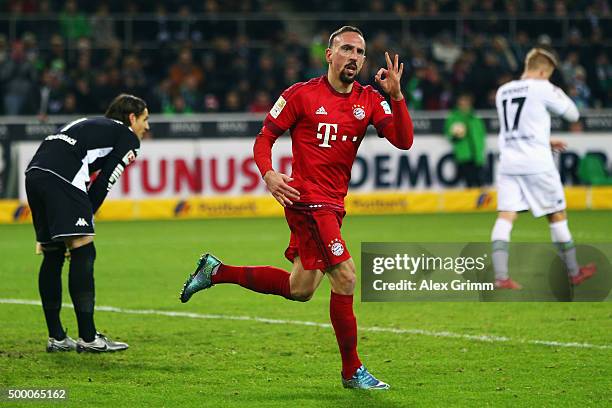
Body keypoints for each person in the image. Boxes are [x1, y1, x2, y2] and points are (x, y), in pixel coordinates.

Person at [179, 26, 413, 390]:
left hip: (333, 205)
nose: (354, 57)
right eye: (347, 49)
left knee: (301, 287)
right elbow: (264, 139)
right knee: (347, 277)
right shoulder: (300, 95)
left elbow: (403, 140)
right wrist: (269, 174)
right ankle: (352, 371)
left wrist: (397, 96)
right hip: (307, 200)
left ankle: (216, 271)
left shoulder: (369, 99)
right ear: (329, 54)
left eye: (360, 52)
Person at [25, 94, 149, 352]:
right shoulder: (127, 137)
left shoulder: (91, 124)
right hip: (62, 176)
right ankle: (89, 338)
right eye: (145, 119)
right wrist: (84, 221)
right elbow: (105, 181)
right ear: (132, 118)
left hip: (35, 172)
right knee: (83, 248)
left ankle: (57, 338)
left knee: (52, 253)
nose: (147, 127)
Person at [491, 45, 596, 290]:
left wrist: (545, 140)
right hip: (536, 163)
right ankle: (574, 272)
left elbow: (516, 127)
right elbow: (573, 115)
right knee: (556, 215)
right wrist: (556, 90)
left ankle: (501, 277)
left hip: (509, 162)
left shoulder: (503, 91)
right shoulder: (544, 87)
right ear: (542, 72)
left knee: (506, 216)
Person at [444, 92, 486, 187]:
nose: (465, 103)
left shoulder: (475, 118)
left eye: (467, 101)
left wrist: (480, 150)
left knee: (480, 183)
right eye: (463, 100)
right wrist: (455, 135)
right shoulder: (453, 117)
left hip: (477, 155)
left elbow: (481, 136)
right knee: (469, 183)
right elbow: (449, 134)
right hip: (464, 155)